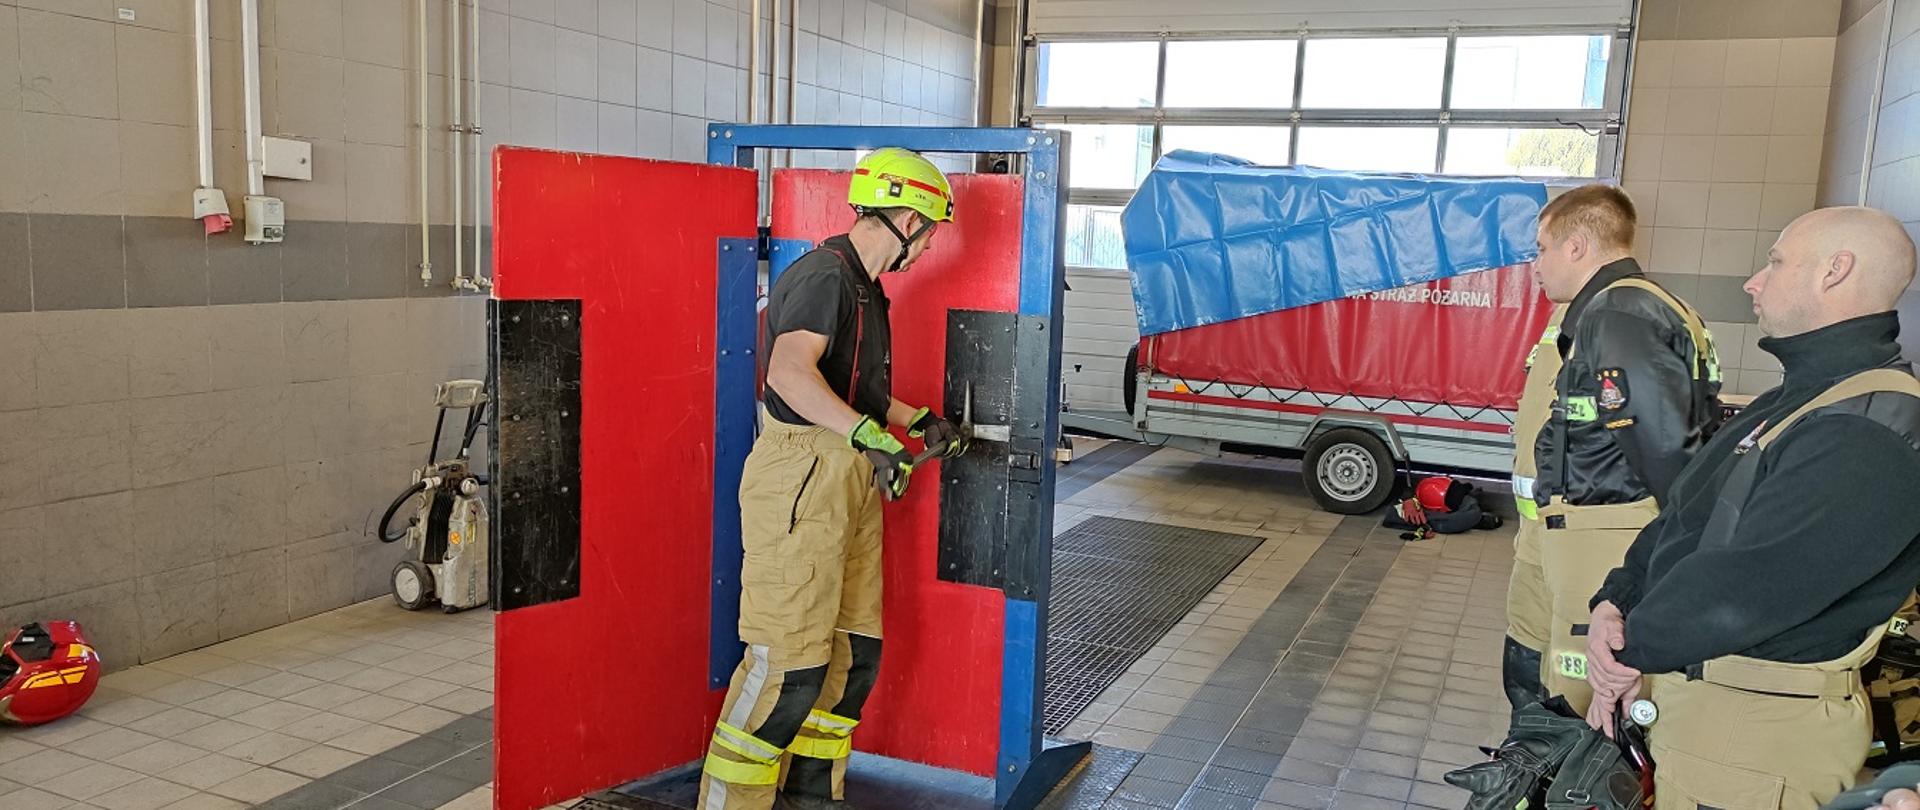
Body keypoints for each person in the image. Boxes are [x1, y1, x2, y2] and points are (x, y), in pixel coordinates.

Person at [1583, 206, 1920, 810]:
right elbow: (1684, 516)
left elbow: (1747, 586)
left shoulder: (1868, 429)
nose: (1753, 282)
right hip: (1714, 707)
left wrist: (1627, 646)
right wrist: (1617, 597)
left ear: (1834, 271)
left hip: (1758, 738)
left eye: (1774, 262)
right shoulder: (1799, 399)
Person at [698, 148, 968, 810]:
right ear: (906, 217)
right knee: (790, 669)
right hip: (804, 474)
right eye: (930, 230)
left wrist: (916, 419)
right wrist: (869, 436)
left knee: (851, 658)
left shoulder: (862, 289)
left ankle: (813, 797)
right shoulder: (824, 275)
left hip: (845, 472)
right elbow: (789, 375)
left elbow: (848, 386)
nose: (929, 246)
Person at [1504, 184, 1724, 717]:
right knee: (1535, 663)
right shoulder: (1605, 309)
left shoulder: (1621, 312)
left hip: (1607, 533)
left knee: (1581, 691)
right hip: (1564, 528)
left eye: (1542, 248)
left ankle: (1574, 789)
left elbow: (1669, 452)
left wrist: (1666, 554)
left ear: (1576, 247)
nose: (1535, 264)